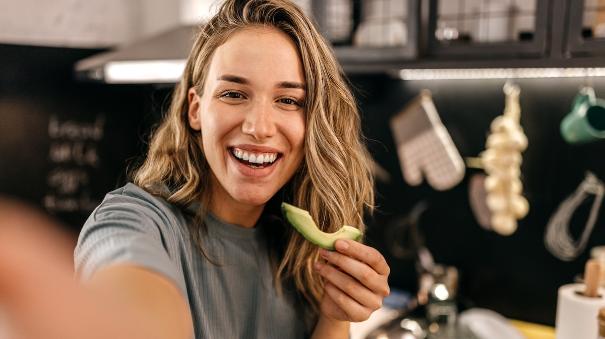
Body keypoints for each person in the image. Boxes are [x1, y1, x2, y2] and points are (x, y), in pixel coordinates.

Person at [0, 0, 390, 338]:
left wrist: (335, 316)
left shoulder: (301, 247)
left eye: (288, 100)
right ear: (196, 109)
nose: (259, 127)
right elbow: (135, 301)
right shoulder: (135, 221)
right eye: (234, 94)